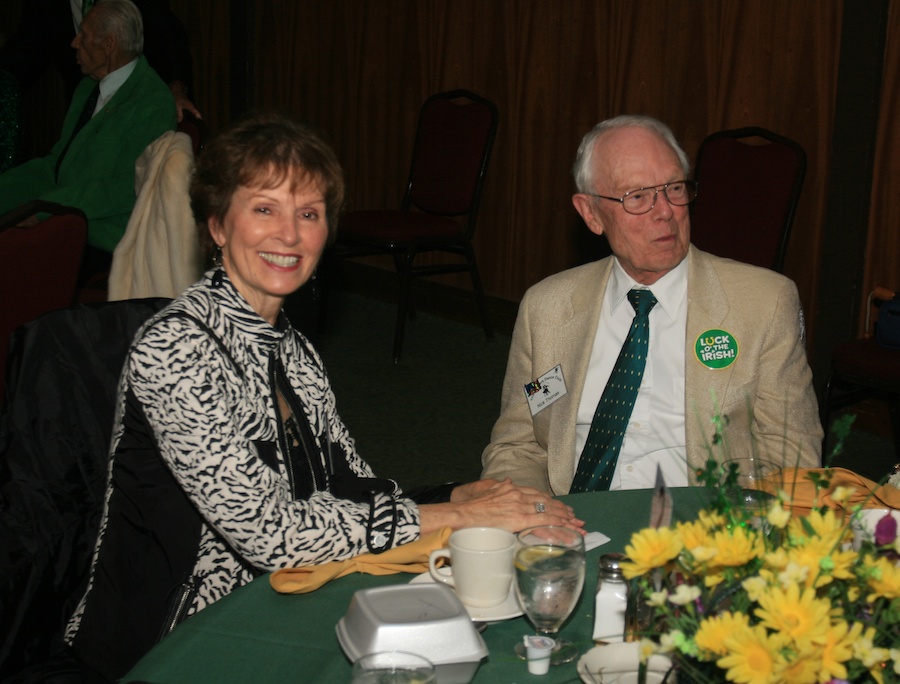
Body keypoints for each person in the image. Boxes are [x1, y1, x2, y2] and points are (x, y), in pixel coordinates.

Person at [63, 111, 583, 683]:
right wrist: (460, 515)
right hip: (177, 634)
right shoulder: (177, 349)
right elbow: (272, 534)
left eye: (308, 214)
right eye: (265, 208)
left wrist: (461, 491)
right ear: (216, 224)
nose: (290, 234)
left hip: (287, 596)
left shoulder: (292, 350)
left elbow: (355, 490)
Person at [481, 114, 822, 495]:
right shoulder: (546, 309)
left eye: (675, 188)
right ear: (591, 213)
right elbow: (518, 447)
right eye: (638, 196)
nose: (665, 211)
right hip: (574, 521)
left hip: (702, 528)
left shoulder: (764, 303)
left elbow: (793, 455)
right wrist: (539, 516)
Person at [0, 0, 176, 279]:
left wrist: (44, 209)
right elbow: (57, 165)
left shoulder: (151, 101)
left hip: (104, 235)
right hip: (66, 216)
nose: (73, 43)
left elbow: (125, 187)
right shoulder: (87, 88)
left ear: (108, 45)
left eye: (82, 36)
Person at [0, 0, 200, 121]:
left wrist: (177, 89)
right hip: (85, 105)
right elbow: (27, 48)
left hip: (141, 99)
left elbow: (168, 35)